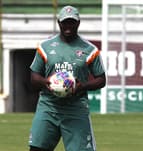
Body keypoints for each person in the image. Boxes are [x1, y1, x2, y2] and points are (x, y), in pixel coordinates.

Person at [28, 5, 106, 151]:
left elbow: (101, 79)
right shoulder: (45, 47)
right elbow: (33, 77)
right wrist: (47, 82)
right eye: (65, 22)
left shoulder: (90, 50)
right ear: (59, 23)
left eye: (72, 22)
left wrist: (82, 86)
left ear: (78, 23)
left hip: (76, 109)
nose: (68, 26)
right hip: (48, 107)